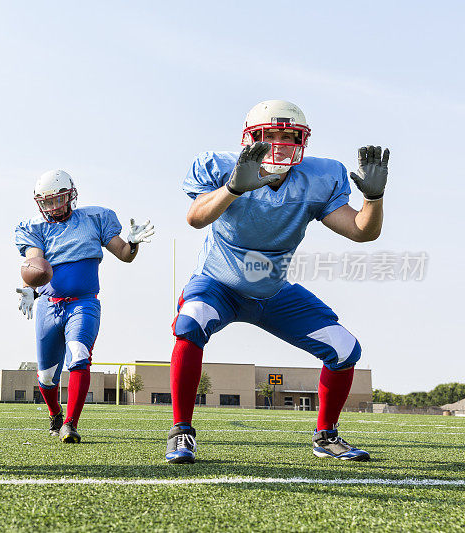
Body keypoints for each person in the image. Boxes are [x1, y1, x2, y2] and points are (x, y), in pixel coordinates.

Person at [166, 100, 388, 463]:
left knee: (345, 349)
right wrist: (233, 188)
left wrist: (373, 198)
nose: (282, 144)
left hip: (272, 289)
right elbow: (195, 218)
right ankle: (181, 432)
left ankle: (326, 437)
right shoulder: (220, 167)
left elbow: (362, 232)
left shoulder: (319, 176)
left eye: (290, 136)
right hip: (219, 282)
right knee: (191, 322)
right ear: (250, 139)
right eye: (272, 136)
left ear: (304, 140)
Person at [15, 170, 154, 442]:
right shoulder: (34, 227)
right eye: (47, 202)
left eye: (58, 199)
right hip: (48, 305)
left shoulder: (94, 219)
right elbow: (35, 264)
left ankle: (70, 424)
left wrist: (134, 243)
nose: (53, 207)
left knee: (79, 356)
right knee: (46, 377)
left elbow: (125, 255)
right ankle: (55, 413)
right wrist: (32, 288)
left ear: (70, 195)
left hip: (84, 303)